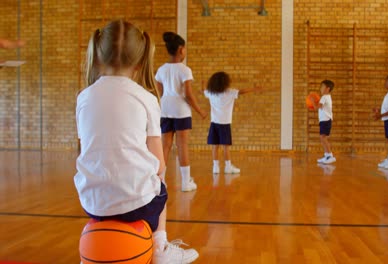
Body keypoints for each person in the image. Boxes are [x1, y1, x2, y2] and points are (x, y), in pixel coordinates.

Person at [74, 20, 198, 263]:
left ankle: (91, 251)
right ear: (141, 61)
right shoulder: (146, 98)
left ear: (98, 57)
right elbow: (159, 164)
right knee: (159, 181)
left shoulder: (84, 97)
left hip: (91, 202)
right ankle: (160, 247)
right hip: (138, 206)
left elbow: (88, 148)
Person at [155, 32, 207, 192]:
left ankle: (161, 182)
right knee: (182, 145)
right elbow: (188, 95)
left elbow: (159, 93)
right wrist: (200, 111)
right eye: (185, 49)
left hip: (165, 109)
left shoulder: (161, 70)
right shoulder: (185, 70)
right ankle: (185, 182)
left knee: (165, 145)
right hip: (181, 110)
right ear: (180, 50)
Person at [203, 71, 261, 174]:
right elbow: (242, 91)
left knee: (214, 146)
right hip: (225, 124)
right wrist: (254, 89)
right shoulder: (230, 92)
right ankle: (228, 167)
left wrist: (203, 83)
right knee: (226, 147)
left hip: (214, 123)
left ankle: (215, 168)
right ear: (225, 82)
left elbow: (203, 90)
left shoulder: (210, 93)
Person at [312, 80, 336, 164]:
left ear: (327, 89)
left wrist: (312, 101)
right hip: (325, 120)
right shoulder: (327, 97)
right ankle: (327, 155)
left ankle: (330, 155)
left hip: (325, 120)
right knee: (323, 138)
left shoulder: (324, 97)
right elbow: (320, 106)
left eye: (322, 87)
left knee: (323, 138)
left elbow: (316, 107)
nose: (320, 88)